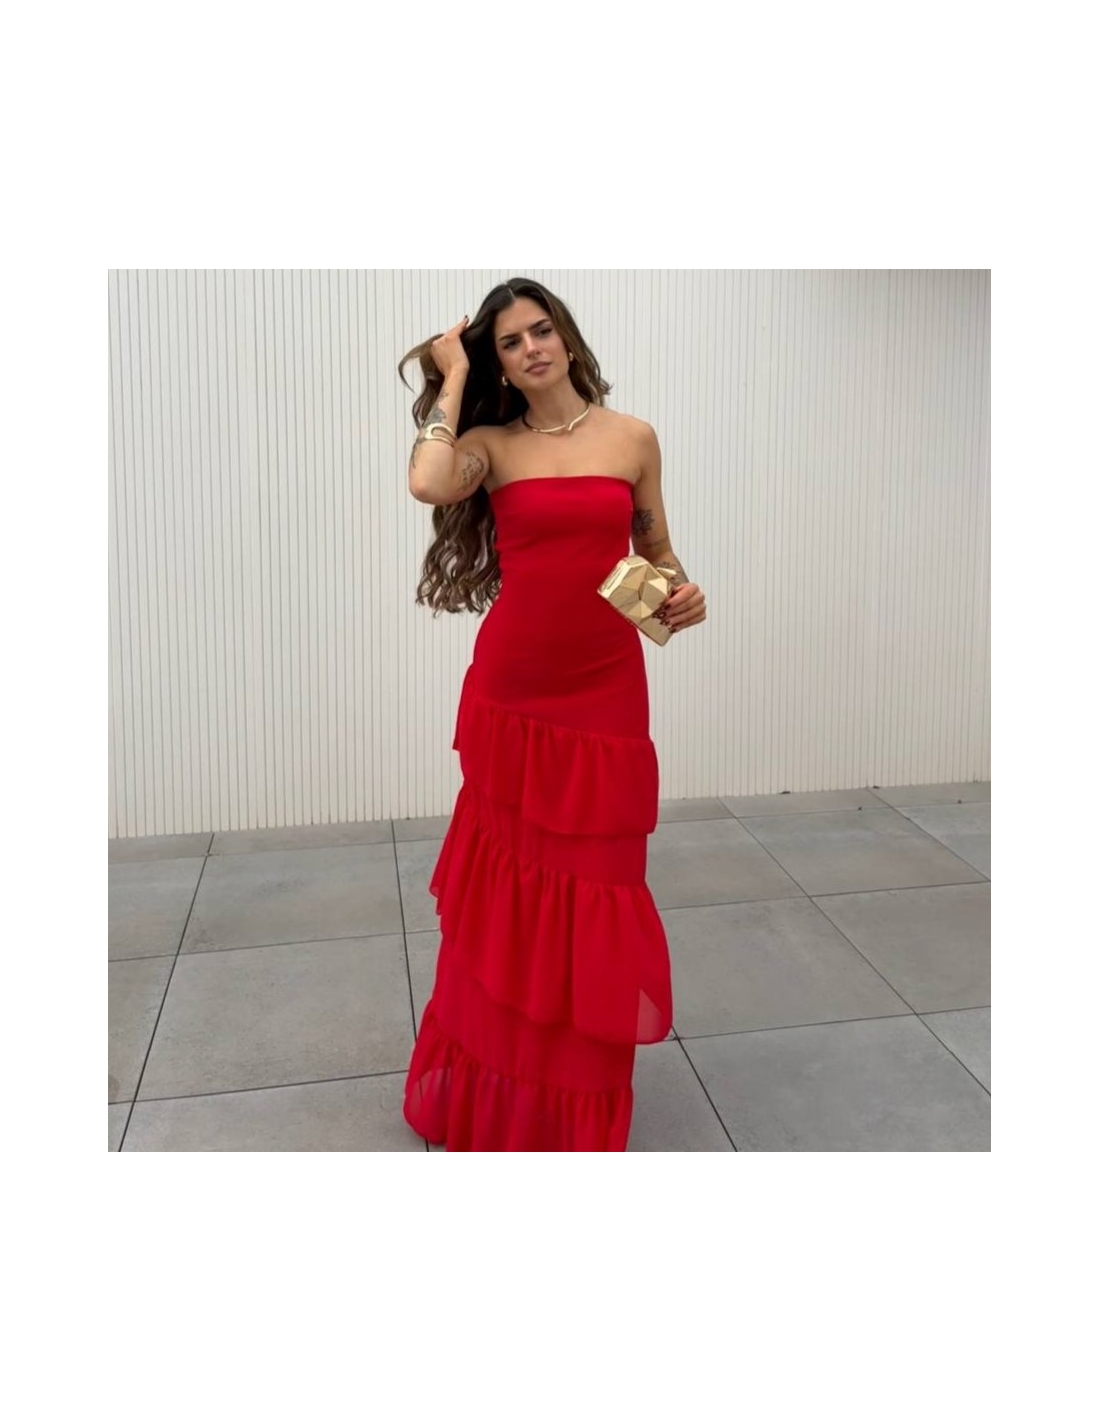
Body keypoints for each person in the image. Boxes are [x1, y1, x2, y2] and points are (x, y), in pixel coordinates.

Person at [398, 277, 707, 1151]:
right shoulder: (490, 447)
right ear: (498, 362)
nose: (531, 348)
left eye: (540, 330)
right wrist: (453, 375)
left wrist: (682, 595)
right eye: (509, 341)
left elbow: (655, 550)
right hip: (514, 693)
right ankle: (499, 1092)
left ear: (565, 337)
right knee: (512, 895)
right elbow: (428, 480)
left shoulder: (632, 437)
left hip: (605, 691)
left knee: (599, 887)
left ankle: (573, 1103)